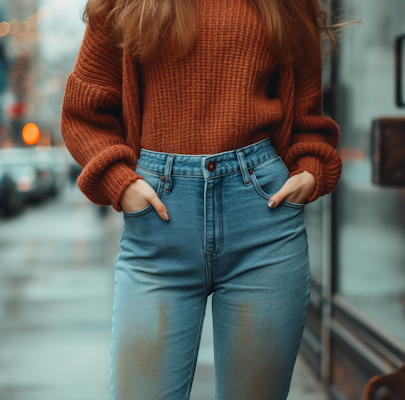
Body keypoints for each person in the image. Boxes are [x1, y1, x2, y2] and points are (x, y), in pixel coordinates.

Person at [61, 0, 342, 398]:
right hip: (159, 231)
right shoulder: (123, 3)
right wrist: (121, 184)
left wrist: (311, 168)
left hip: (263, 225)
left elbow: (307, 117)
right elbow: (83, 112)